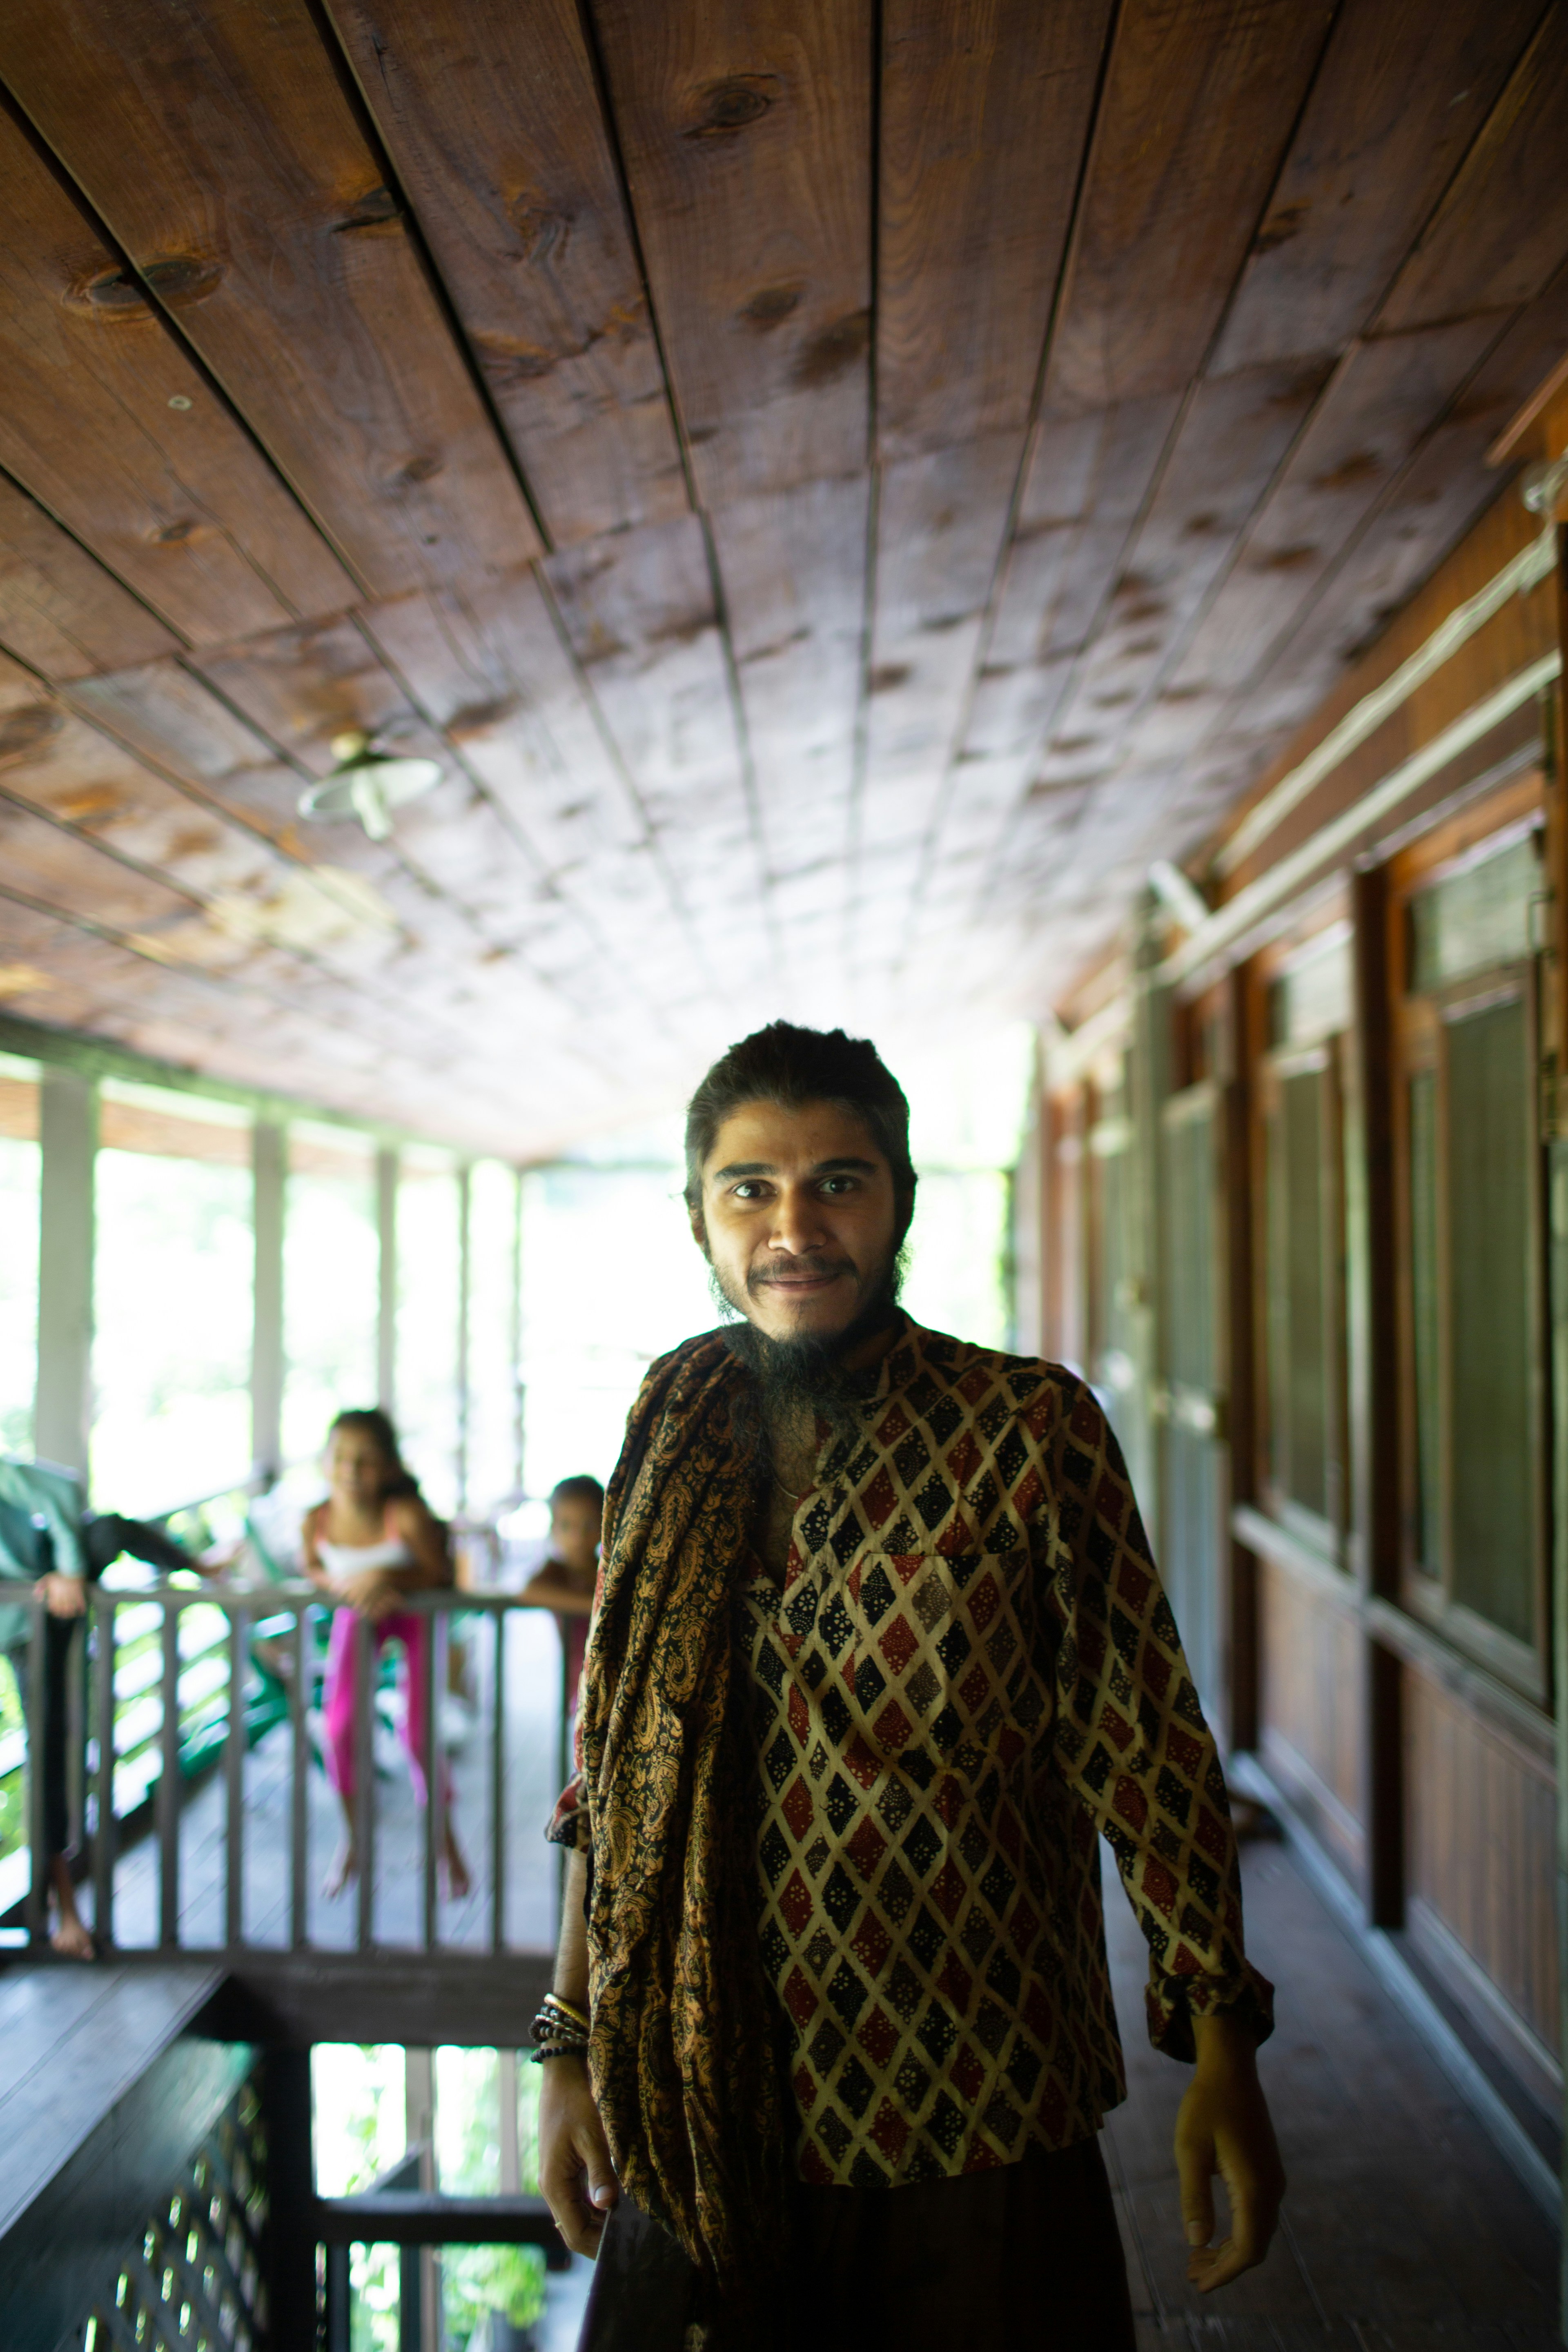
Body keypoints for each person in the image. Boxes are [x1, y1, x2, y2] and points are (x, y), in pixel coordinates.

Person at [536, 1023, 1284, 2352]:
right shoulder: (675, 1410)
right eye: (749, 1188)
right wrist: (570, 2041)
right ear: (701, 1217)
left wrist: (1219, 2032)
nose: (795, 1228)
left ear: (901, 1203)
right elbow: (619, 1761)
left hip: (977, 2100)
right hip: (703, 2093)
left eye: (839, 1181)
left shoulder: (1029, 1428)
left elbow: (1146, 1742)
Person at [0, 1455, 204, 1959]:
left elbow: (64, 1491)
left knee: (110, 1529)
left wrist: (68, 1570)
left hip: (53, 1584)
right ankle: (62, 1908)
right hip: (23, 1623)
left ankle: (203, 1568)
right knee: (50, 1754)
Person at [303, 1408, 470, 1900]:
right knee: (337, 1729)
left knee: (419, 1735)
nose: (352, 1470)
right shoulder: (316, 1520)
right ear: (323, 1462)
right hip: (358, 1616)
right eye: (341, 1458)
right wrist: (340, 1584)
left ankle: (447, 1843)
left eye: (367, 1460)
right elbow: (312, 1566)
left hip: (414, 1615)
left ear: (391, 1468)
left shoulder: (406, 1517)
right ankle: (353, 1840)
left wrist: (384, 1580)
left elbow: (440, 1574)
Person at [519, 1475, 604, 1717]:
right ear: (553, 1529)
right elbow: (528, 1592)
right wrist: (600, 1606)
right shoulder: (555, 1572)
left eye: (588, 1525)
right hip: (581, 1679)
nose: (578, 1537)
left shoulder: (609, 1571)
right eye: (567, 1526)